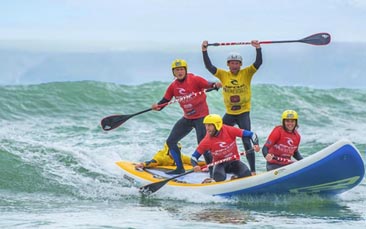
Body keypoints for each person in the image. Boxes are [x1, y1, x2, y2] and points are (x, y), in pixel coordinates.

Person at [201, 40, 262, 175]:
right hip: (229, 113)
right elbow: (209, 67)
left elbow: (258, 63)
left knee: (246, 140)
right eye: (232, 63)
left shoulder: (246, 73)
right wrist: (204, 51)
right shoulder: (223, 74)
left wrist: (258, 49)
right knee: (214, 136)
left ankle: (252, 171)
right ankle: (212, 167)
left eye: (237, 63)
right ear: (228, 64)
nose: (234, 65)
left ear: (241, 64)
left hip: (243, 113)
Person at [152, 59, 219, 174]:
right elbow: (164, 101)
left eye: (182, 69)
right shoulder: (173, 86)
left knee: (203, 144)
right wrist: (157, 106)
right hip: (188, 118)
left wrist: (215, 85)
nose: (180, 72)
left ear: (186, 70)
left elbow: (209, 85)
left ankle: (212, 170)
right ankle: (179, 168)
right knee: (171, 142)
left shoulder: (195, 79)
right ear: (173, 72)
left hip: (202, 117)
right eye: (177, 70)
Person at [190, 114, 260, 183]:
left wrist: (256, 144)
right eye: (206, 125)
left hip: (234, 161)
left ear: (217, 125)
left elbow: (252, 134)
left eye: (209, 125)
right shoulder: (206, 141)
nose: (207, 128)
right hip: (220, 164)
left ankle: (235, 178)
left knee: (246, 173)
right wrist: (195, 165)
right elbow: (194, 157)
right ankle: (213, 180)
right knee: (219, 177)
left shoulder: (229, 130)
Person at [135, 142, 205, 170]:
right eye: (173, 150)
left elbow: (192, 161)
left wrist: (207, 162)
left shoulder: (180, 156)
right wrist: (143, 164)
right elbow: (152, 162)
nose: (176, 152)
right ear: (168, 150)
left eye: (178, 150)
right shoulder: (162, 158)